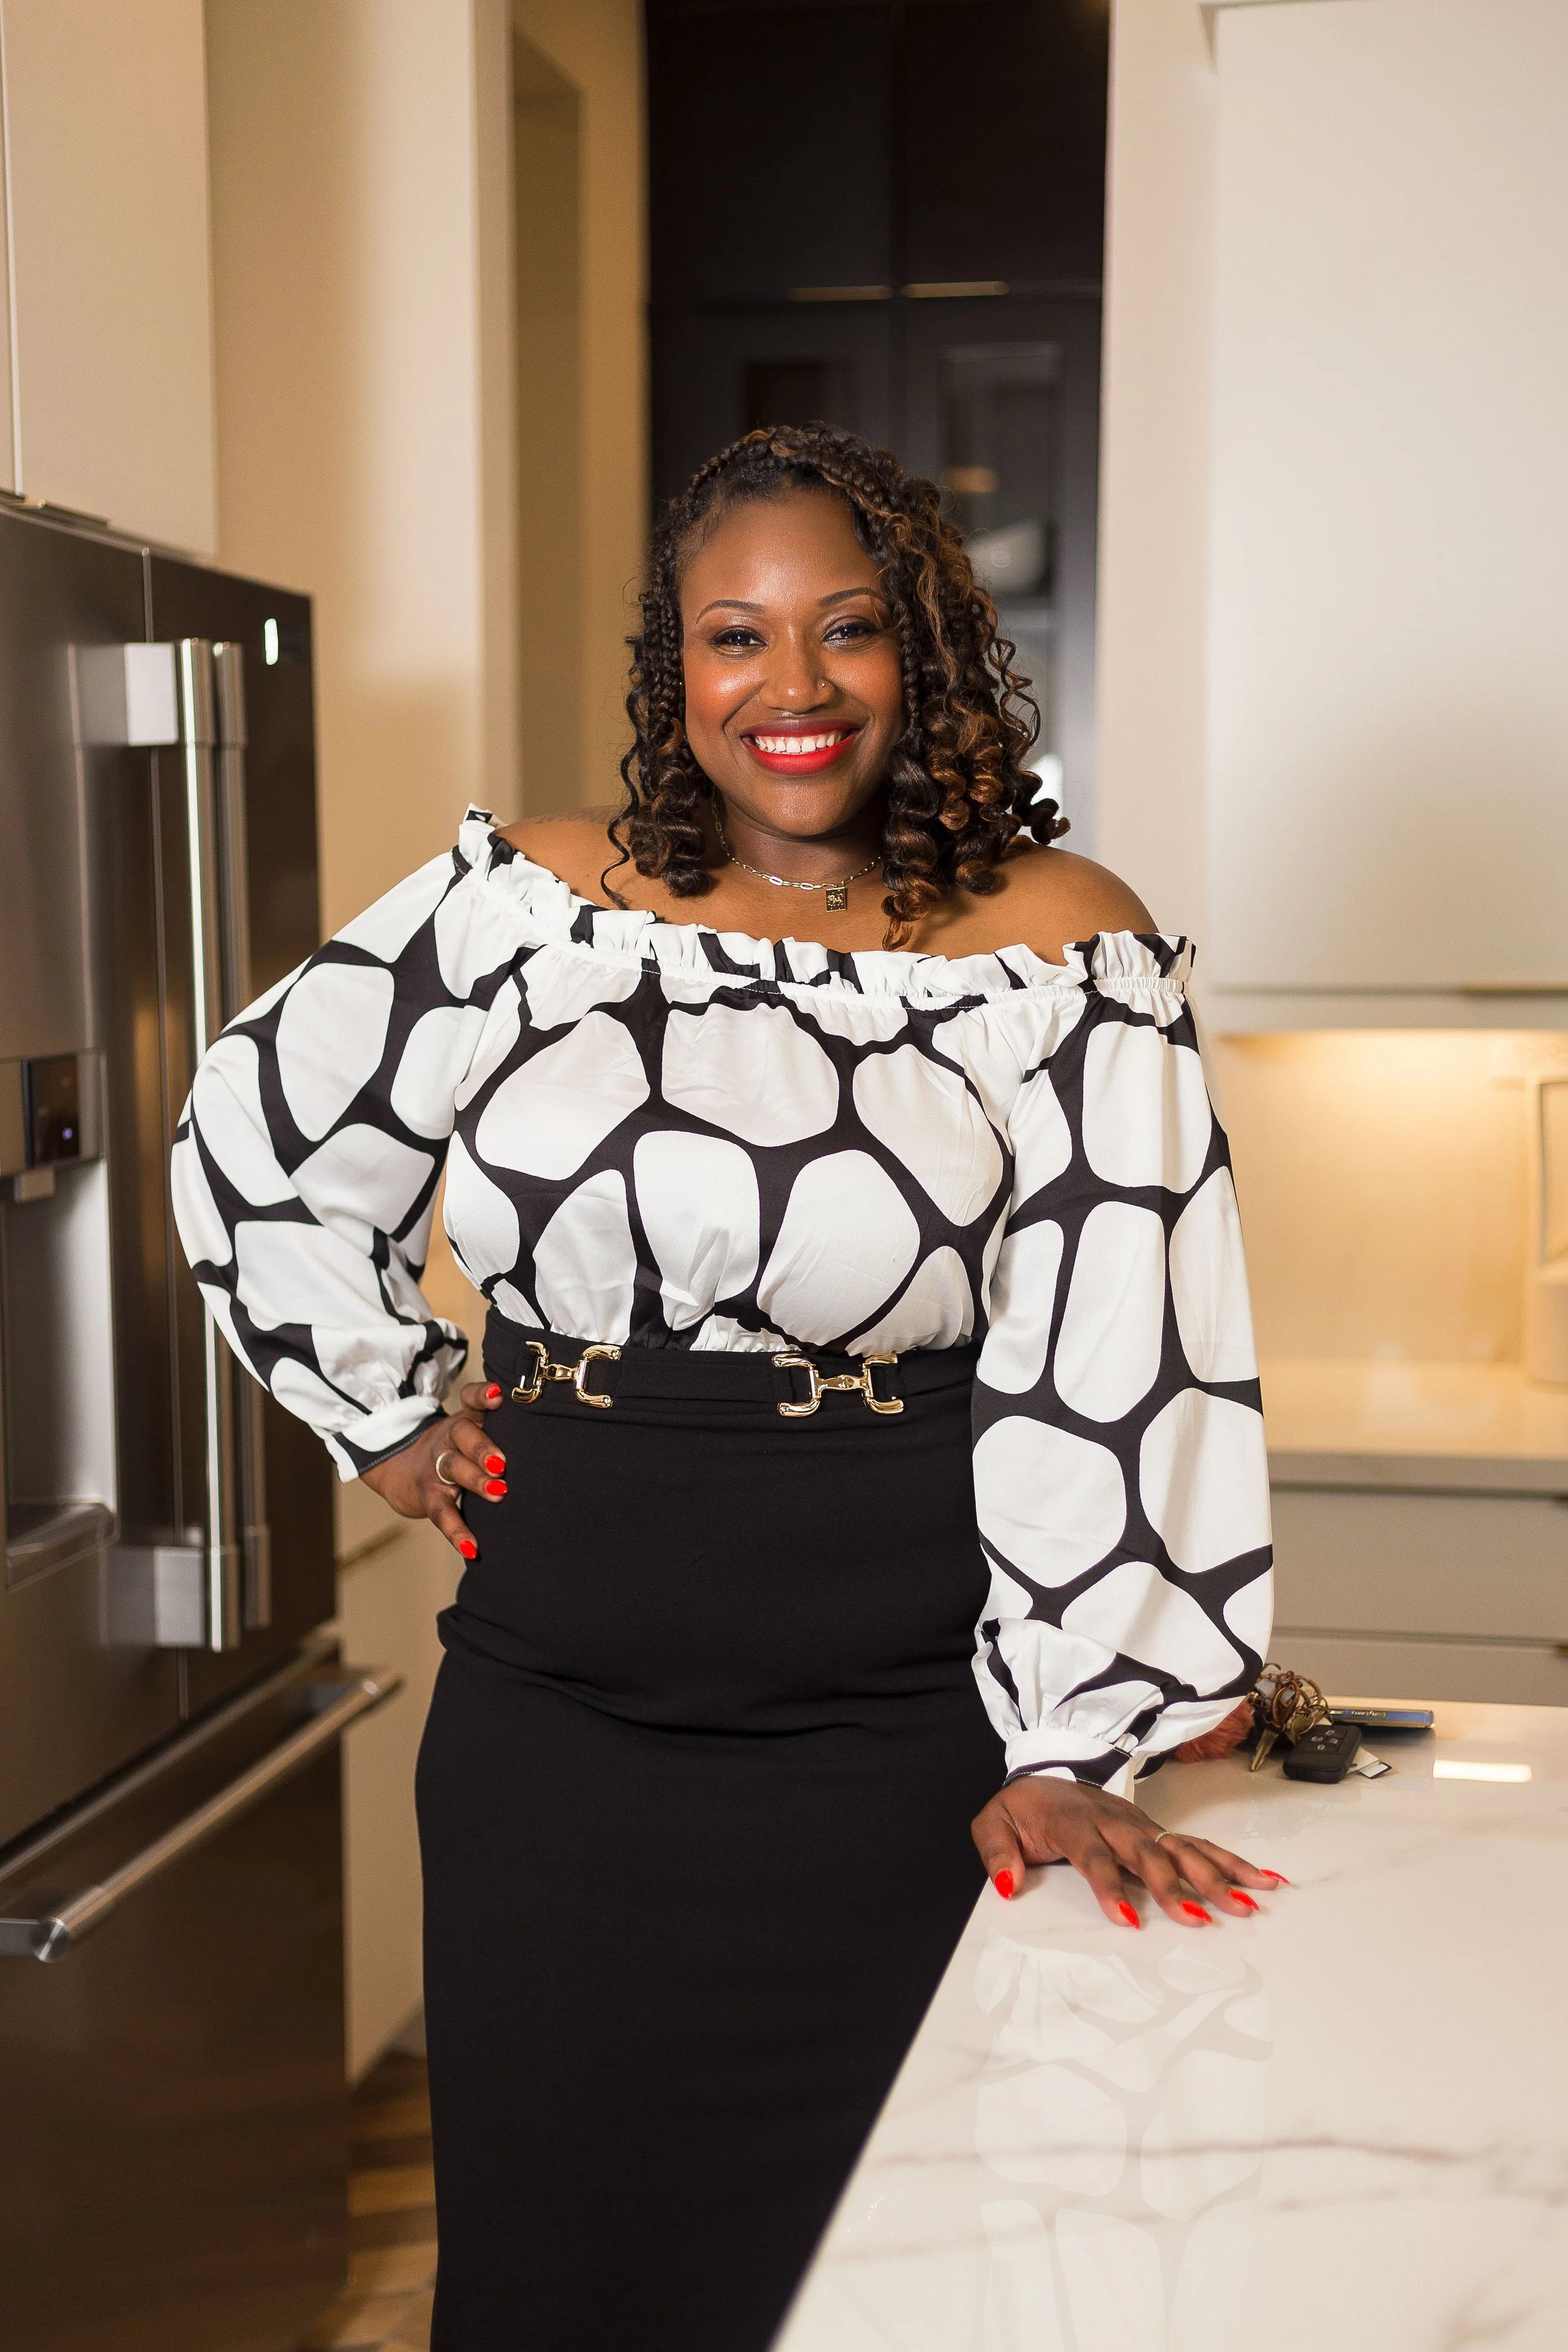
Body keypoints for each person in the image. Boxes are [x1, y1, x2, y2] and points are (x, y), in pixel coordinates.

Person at [173, 425, 1278, 2352]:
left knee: (899, 2285)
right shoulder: (529, 906)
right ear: (669, 666)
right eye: (732, 635)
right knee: (557, 2282)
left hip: (896, 1746)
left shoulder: (1058, 948)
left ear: (920, 652)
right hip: (555, 1744)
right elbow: (259, 1135)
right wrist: (390, 1406)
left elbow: (1129, 1351)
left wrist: (1075, 1739)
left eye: (844, 631)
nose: (788, 688)